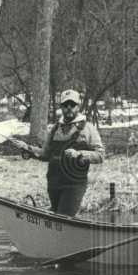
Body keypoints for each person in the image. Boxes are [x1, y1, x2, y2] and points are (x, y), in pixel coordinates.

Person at [33, 89, 105, 217]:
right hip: (54, 183)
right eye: (65, 105)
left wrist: (79, 154)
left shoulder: (88, 128)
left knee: (63, 218)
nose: (69, 108)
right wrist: (29, 149)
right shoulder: (55, 128)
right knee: (57, 220)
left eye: (72, 105)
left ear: (78, 106)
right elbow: (45, 154)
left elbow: (100, 155)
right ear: (61, 107)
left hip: (74, 184)